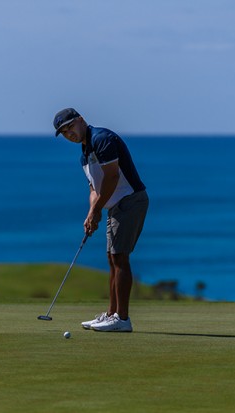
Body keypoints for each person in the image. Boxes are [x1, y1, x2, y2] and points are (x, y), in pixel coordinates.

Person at [53, 108, 149, 332]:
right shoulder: (84, 154)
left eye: (70, 127)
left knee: (120, 257)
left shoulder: (102, 139)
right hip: (115, 206)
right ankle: (112, 314)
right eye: (64, 132)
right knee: (112, 258)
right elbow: (94, 189)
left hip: (130, 200)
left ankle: (122, 319)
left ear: (81, 120)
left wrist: (97, 210)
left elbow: (112, 177)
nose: (69, 134)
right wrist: (91, 213)